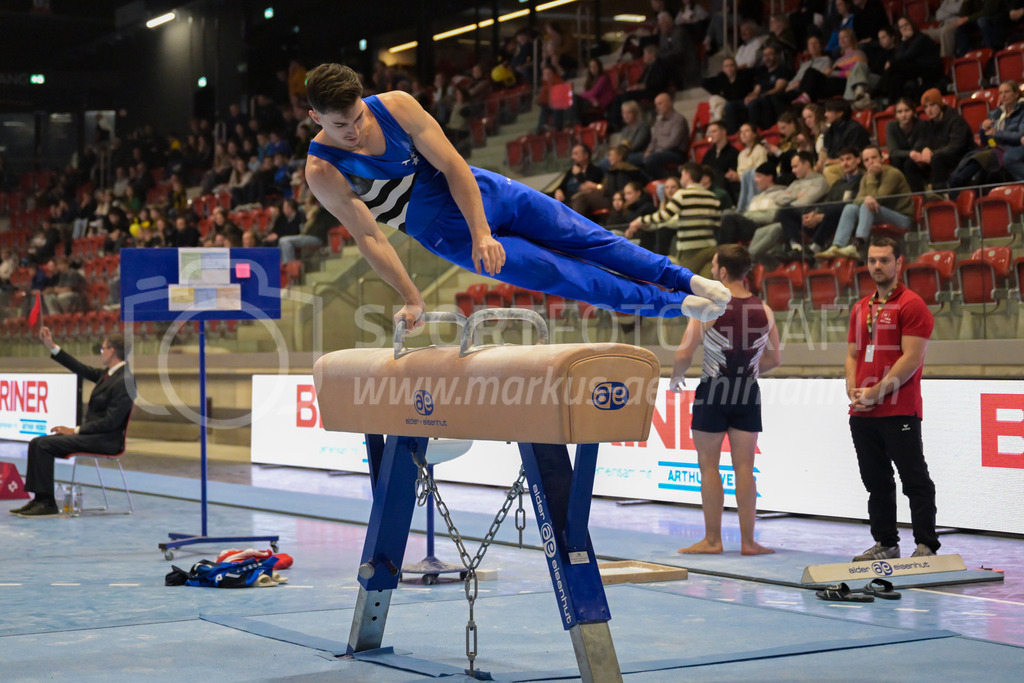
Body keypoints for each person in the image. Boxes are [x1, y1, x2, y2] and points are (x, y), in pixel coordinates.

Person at [302, 63, 730, 323]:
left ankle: (685, 279)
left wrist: (483, 231)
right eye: (340, 125)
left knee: (590, 238)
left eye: (358, 117)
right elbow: (371, 237)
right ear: (315, 117)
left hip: (483, 192)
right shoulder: (324, 170)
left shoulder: (395, 106)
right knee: (569, 277)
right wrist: (412, 299)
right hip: (450, 235)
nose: (354, 131)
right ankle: (676, 305)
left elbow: (453, 166)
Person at [672, 244, 781, 555]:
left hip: (714, 391)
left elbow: (683, 353)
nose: (710, 271)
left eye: (713, 266)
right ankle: (748, 542)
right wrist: (748, 372)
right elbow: (775, 358)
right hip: (747, 391)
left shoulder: (710, 307)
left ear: (721, 271)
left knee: (709, 465)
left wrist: (677, 376)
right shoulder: (765, 309)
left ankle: (712, 540)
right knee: (744, 467)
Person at [845, 236, 939, 561]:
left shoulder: (912, 305)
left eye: (884, 260)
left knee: (914, 479)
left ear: (899, 263)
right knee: (876, 482)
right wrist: (852, 388)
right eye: (872, 260)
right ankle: (886, 543)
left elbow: (911, 359)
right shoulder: (861, 307)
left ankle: (926, 545)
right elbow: (852, 354)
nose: (877, 266)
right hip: (863, 413)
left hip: (899, 410)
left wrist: (876, 392)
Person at [11, 328, 135, 518]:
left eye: (102, 349)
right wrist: (52, 347)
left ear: (112, 351)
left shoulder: (125, 381)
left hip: (105, 440)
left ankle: (47, 503)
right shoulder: (109, 375)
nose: (101, 353)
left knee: (43, 445)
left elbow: (111, 422)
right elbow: (80, 368)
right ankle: (39, 499)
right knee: (36, 443)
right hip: (93, 436)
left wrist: (76, 430)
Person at [817, 146, 913, 260]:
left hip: (902, 218)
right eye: (866, 160)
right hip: (879, 213)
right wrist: (867, 197)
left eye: (874, 157)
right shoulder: (865, 177)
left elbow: (877, 198)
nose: (870, 162)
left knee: (866, 206)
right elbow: (857, 200)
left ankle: (856, 245)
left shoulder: (892, 174)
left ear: (882, 158)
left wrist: (871, 177)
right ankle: (837, 245)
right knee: (850, 207)